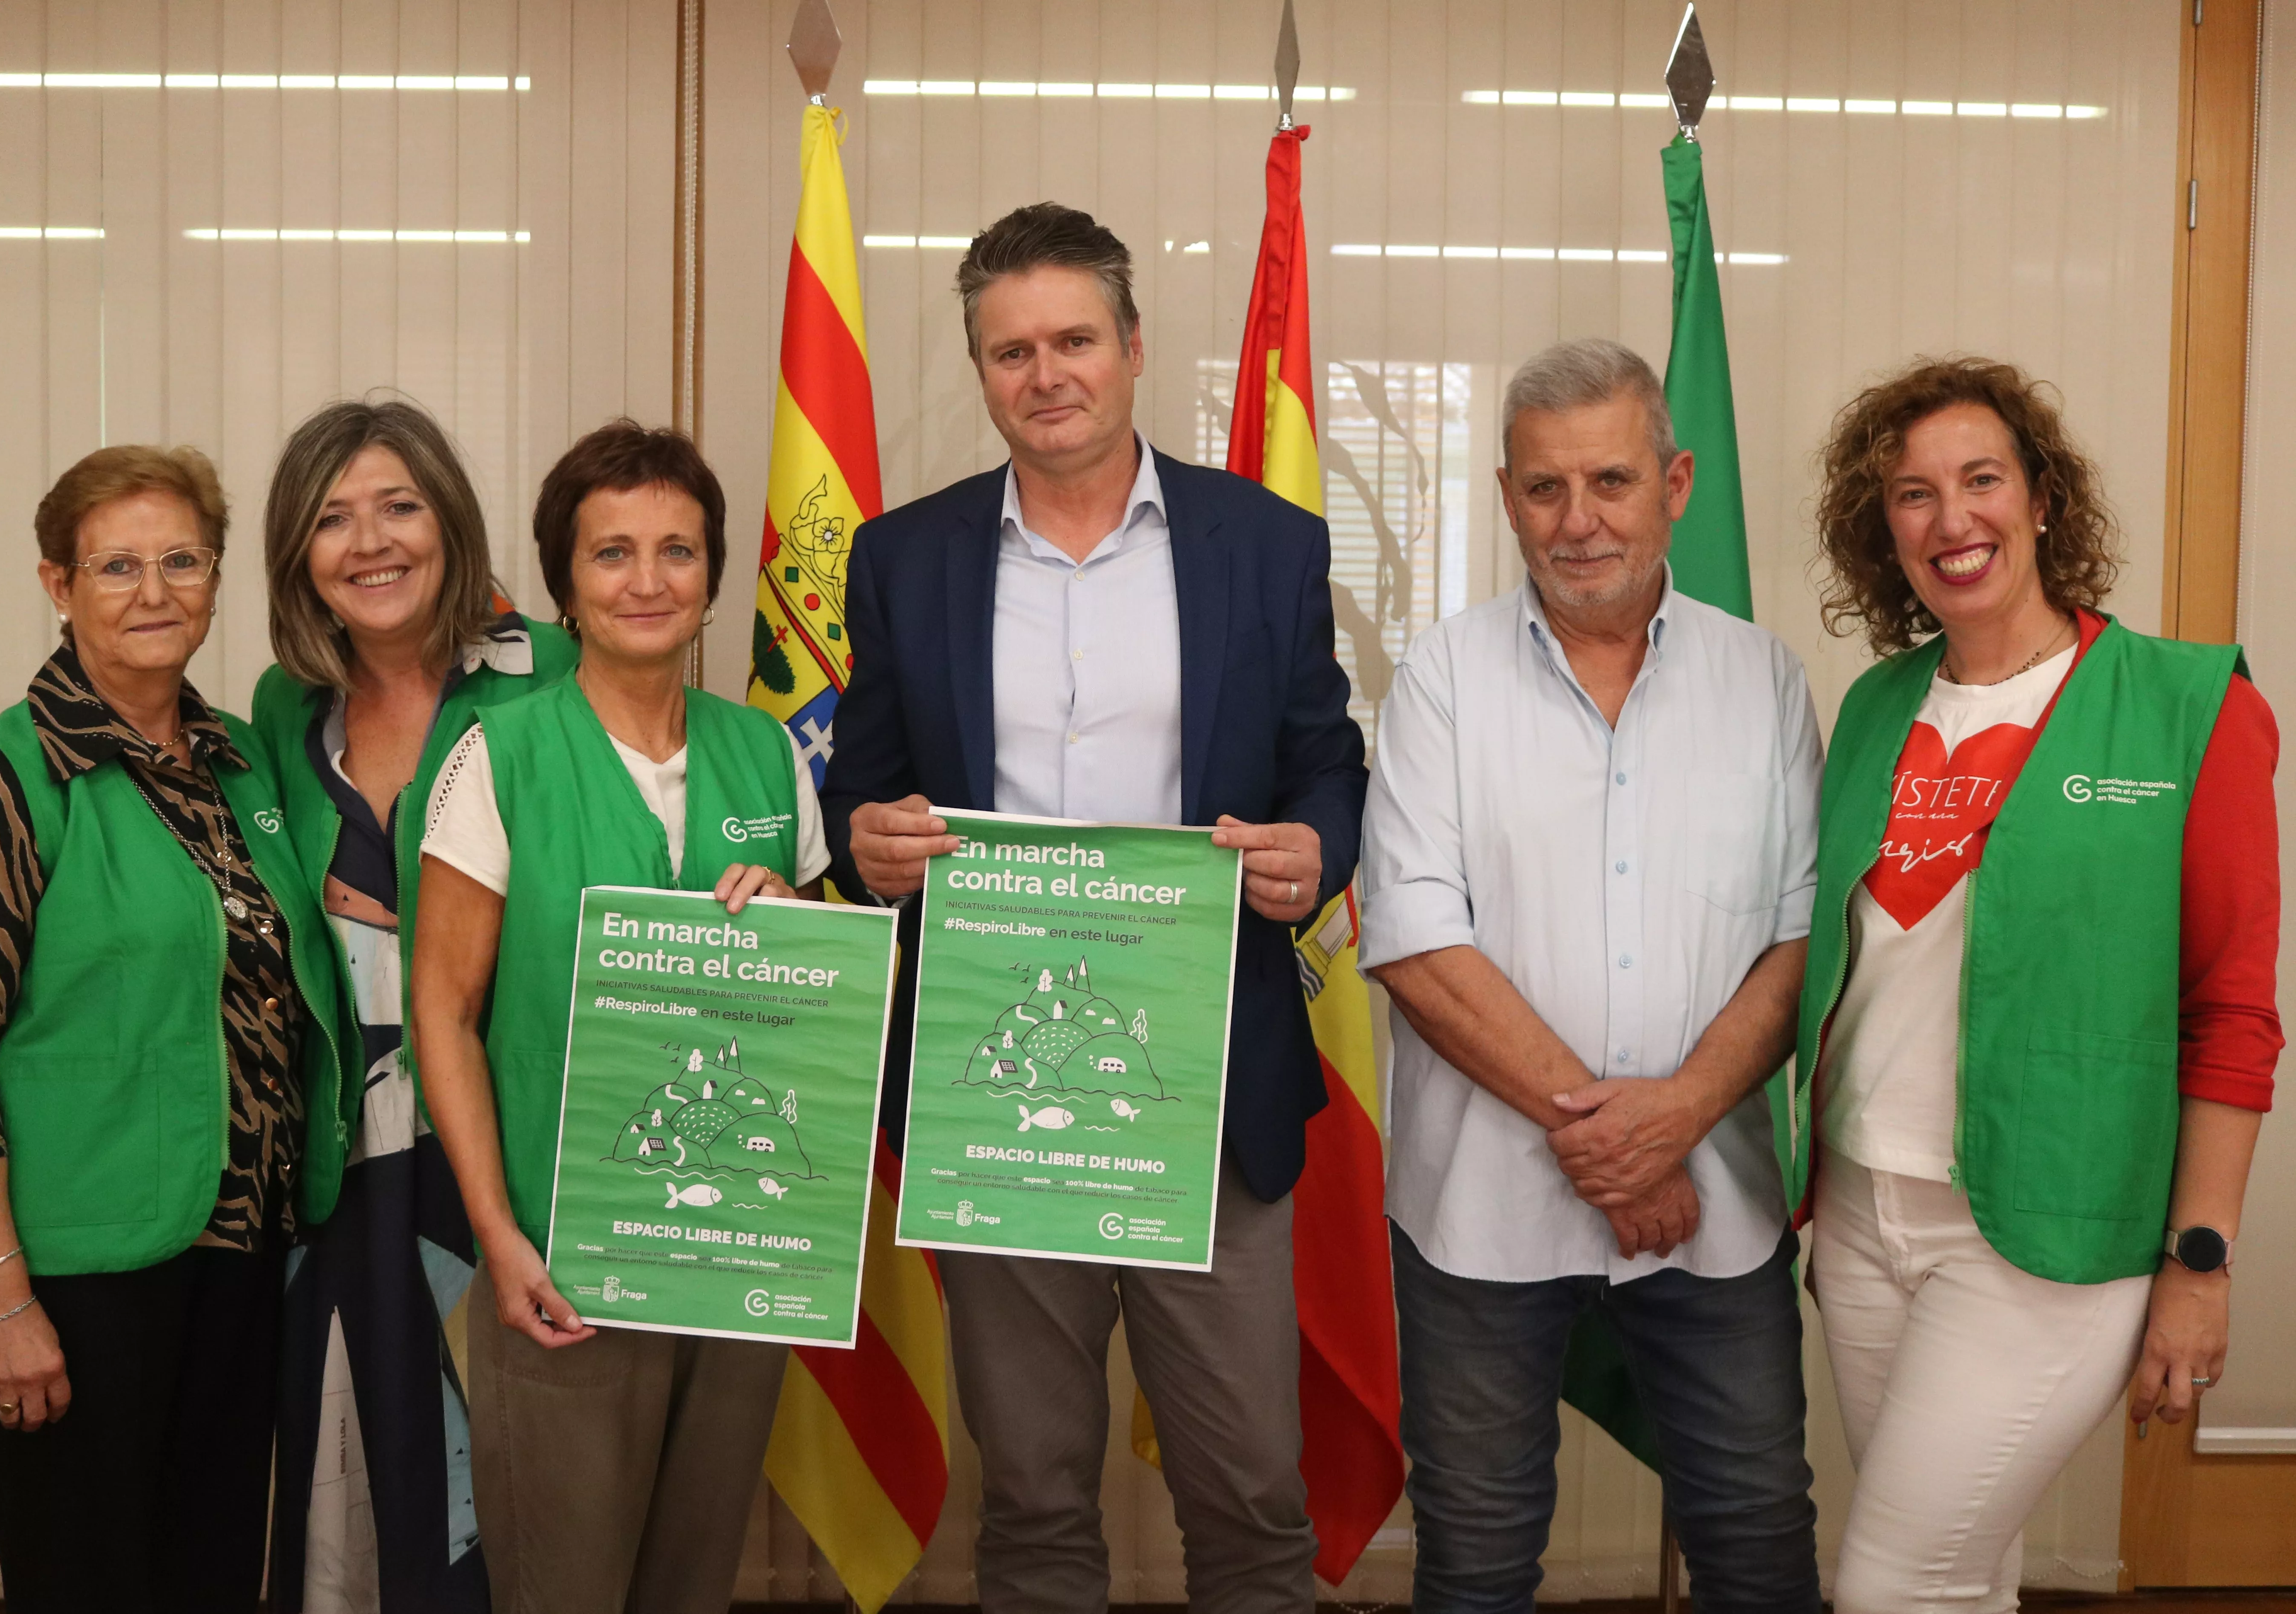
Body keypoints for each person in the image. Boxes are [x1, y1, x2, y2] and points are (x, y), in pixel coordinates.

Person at [822, 201, 1368, 1614]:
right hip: (994, 1089)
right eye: (1011, 351)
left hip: (1205, 1087)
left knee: (1249, 1491)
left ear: (1132, 350)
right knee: (1038, 1492)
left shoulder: (1266, 543)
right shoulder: (902, 558)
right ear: (982, 370)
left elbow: (1324, 750)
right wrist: (865, 842)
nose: (1045, 373)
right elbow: (865, 785)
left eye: (1073, 339)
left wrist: (1316, 846)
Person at [1796, 357, 2279, 1614]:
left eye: (1979, 480)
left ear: (2042, 499)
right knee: (1963, 1569)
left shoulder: (2185, 707)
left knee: (1892, 1583)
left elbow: (2230, 1011)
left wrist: (2199, 1262)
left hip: (2045, 1234)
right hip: (1859, 1216)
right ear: (1882, 531)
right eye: (1911, 495)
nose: (1951, 520)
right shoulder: (1872, 709)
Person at [1358, 338, 1823, 1614]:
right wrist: (1614, 1142)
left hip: (1710, 1210)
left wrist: (1670, 1125)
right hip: (1478, 1213)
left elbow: (1799, 943)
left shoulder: (1764, 680)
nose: (1578, 522)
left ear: (1674, 482)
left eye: (1610, 481)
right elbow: (1413, 941)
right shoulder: (1440, 679)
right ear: (1507, 495)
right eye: (1545, 489)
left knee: (1756, 1540)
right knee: (1475, 1556)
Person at [0, 445, 350, 1611]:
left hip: (243, 1255)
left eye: (181, 559)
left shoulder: (243, 761)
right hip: (82, 1276)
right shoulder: (0, 776)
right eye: (117, 565)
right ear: (59, 583)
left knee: (208, 1579)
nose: (155, 590)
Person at [409, 420, 829, 1614]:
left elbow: (822, 1004)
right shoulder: (499, 754)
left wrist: (798, 921)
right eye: (612, 554)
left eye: (677, 551)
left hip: (739, 1253)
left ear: (711, 579)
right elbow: (442, 1010)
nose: (647, 581)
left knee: (690, 1578)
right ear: (564, 584)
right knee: (566, 1583)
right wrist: (499, 1238)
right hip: (564, 1265)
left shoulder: (767, 756)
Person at [251, 397, 579, 1610]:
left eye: (398, 504)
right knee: (348, 1473)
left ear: (449, 519)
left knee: (505, 1483)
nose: (369, 540)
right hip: (342, 1168)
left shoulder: (550, 666)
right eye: (332, 518)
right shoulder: (285, 706)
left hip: (506, 1155)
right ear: (300, 554)